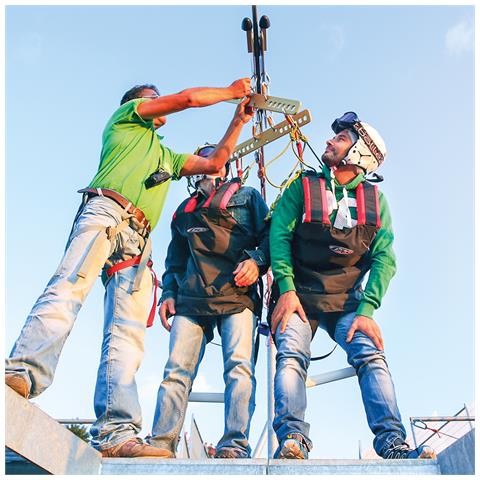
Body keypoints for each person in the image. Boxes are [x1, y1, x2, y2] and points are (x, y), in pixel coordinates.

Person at [5, 79, 253, 458]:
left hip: (138, 240)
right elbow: (185, 100)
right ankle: (21, 373)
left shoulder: (167, 158)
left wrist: (238, 120)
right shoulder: (124, 120)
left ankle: (116, 432)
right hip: (106, 211)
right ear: (138, 105)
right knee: (69, 290)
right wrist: (230, 92)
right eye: (153, 100)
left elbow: (216, 162)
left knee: (127, 334)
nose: (159, 105)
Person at [268, 112, 436, 460]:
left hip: (347, 303)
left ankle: (393, 442)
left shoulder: (376, 203)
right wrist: (285, 288)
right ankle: (293, 439)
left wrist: (367, 310)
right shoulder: (303, 187)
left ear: (359, 154)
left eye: (341, 138)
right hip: (299, 297)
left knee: (371, 354)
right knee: (291, 355)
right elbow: (279, 236)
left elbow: (384, 260)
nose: (329, 141)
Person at [148, 144, 270, 459]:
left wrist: (257, 261)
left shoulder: (249, 197)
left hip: (236, 295)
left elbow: (271, 238)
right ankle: (161, 443)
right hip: (190, 299)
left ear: (226, 165)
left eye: (214, 158)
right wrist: (168, 293)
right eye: (201, 159)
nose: (208, 164)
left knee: (239, 369)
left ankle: (234, 443)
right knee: (176, 370)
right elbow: (174, 259)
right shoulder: (184, 210)